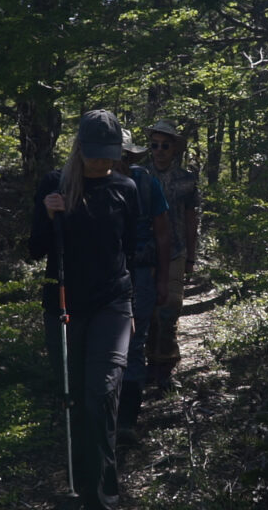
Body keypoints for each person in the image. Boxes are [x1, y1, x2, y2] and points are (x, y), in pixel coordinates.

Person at [29, 109, 138, 510]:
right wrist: (48, 212)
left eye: (109, 154)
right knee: (74, 398)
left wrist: (133, 304)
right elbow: (36, 249)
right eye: (96, 154)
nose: (103, 162)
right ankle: (80, 488)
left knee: (102, 392)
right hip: (64, 305)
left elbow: (128, 248)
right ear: (80, 149)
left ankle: (103, 495)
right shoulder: (54, 185)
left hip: (113, 303)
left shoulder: (127, 188)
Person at [114, 129, 170, 445]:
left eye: (124, 155)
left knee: (134, 346)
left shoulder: (147, 183)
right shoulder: (86, 184)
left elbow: (164, 233)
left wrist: (163, 279)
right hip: (101, 277)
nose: (118, 162)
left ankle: (127, 420)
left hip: (142, 275)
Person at [145, 119, 200, 391]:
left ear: (175, 148)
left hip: (176, 253)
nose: (159, 150)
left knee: (170, 310)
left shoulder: (187, 181)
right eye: (155, 145)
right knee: (148, 312)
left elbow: (191, 220)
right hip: (146, 254)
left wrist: (191, 257)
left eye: (165, 145)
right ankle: (149, 365)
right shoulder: (139, 176)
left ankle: (166, 368)